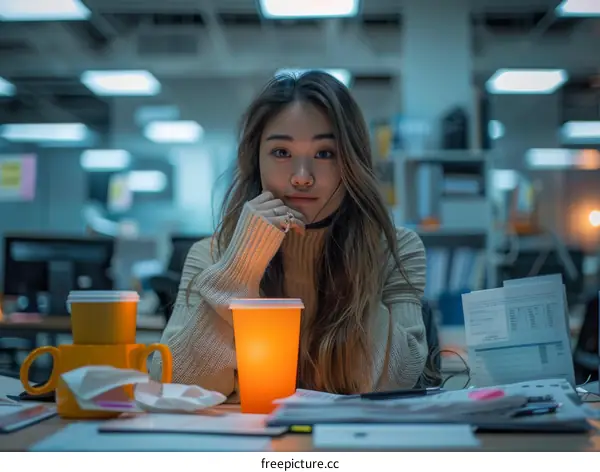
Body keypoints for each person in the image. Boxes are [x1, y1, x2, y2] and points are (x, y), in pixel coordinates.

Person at [150, 71, 428, 396]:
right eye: (281, 152)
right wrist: (242, 265)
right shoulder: (213, 253)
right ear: (256, 161)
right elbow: (175, 381)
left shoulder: (395, 248)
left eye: (325, 153)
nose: (301, 178)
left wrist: (356, 267)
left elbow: (396, 381)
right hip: (250, 441)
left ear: (350, 163)